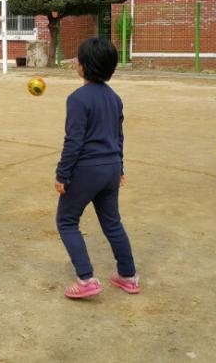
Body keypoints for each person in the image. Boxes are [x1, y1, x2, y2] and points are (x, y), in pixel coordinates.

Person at [55, 37, 138, 299]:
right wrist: (120, 167)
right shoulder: (115, 98)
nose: (75, 62)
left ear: (84, 66)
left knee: (66, 221)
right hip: (110, 168)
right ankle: (128, 276)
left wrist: (62, 173)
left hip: (86, 170)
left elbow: (74, 141)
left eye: (78, 58)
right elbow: (119, 136)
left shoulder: (77, 99)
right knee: (112, 223)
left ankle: (86, 279)